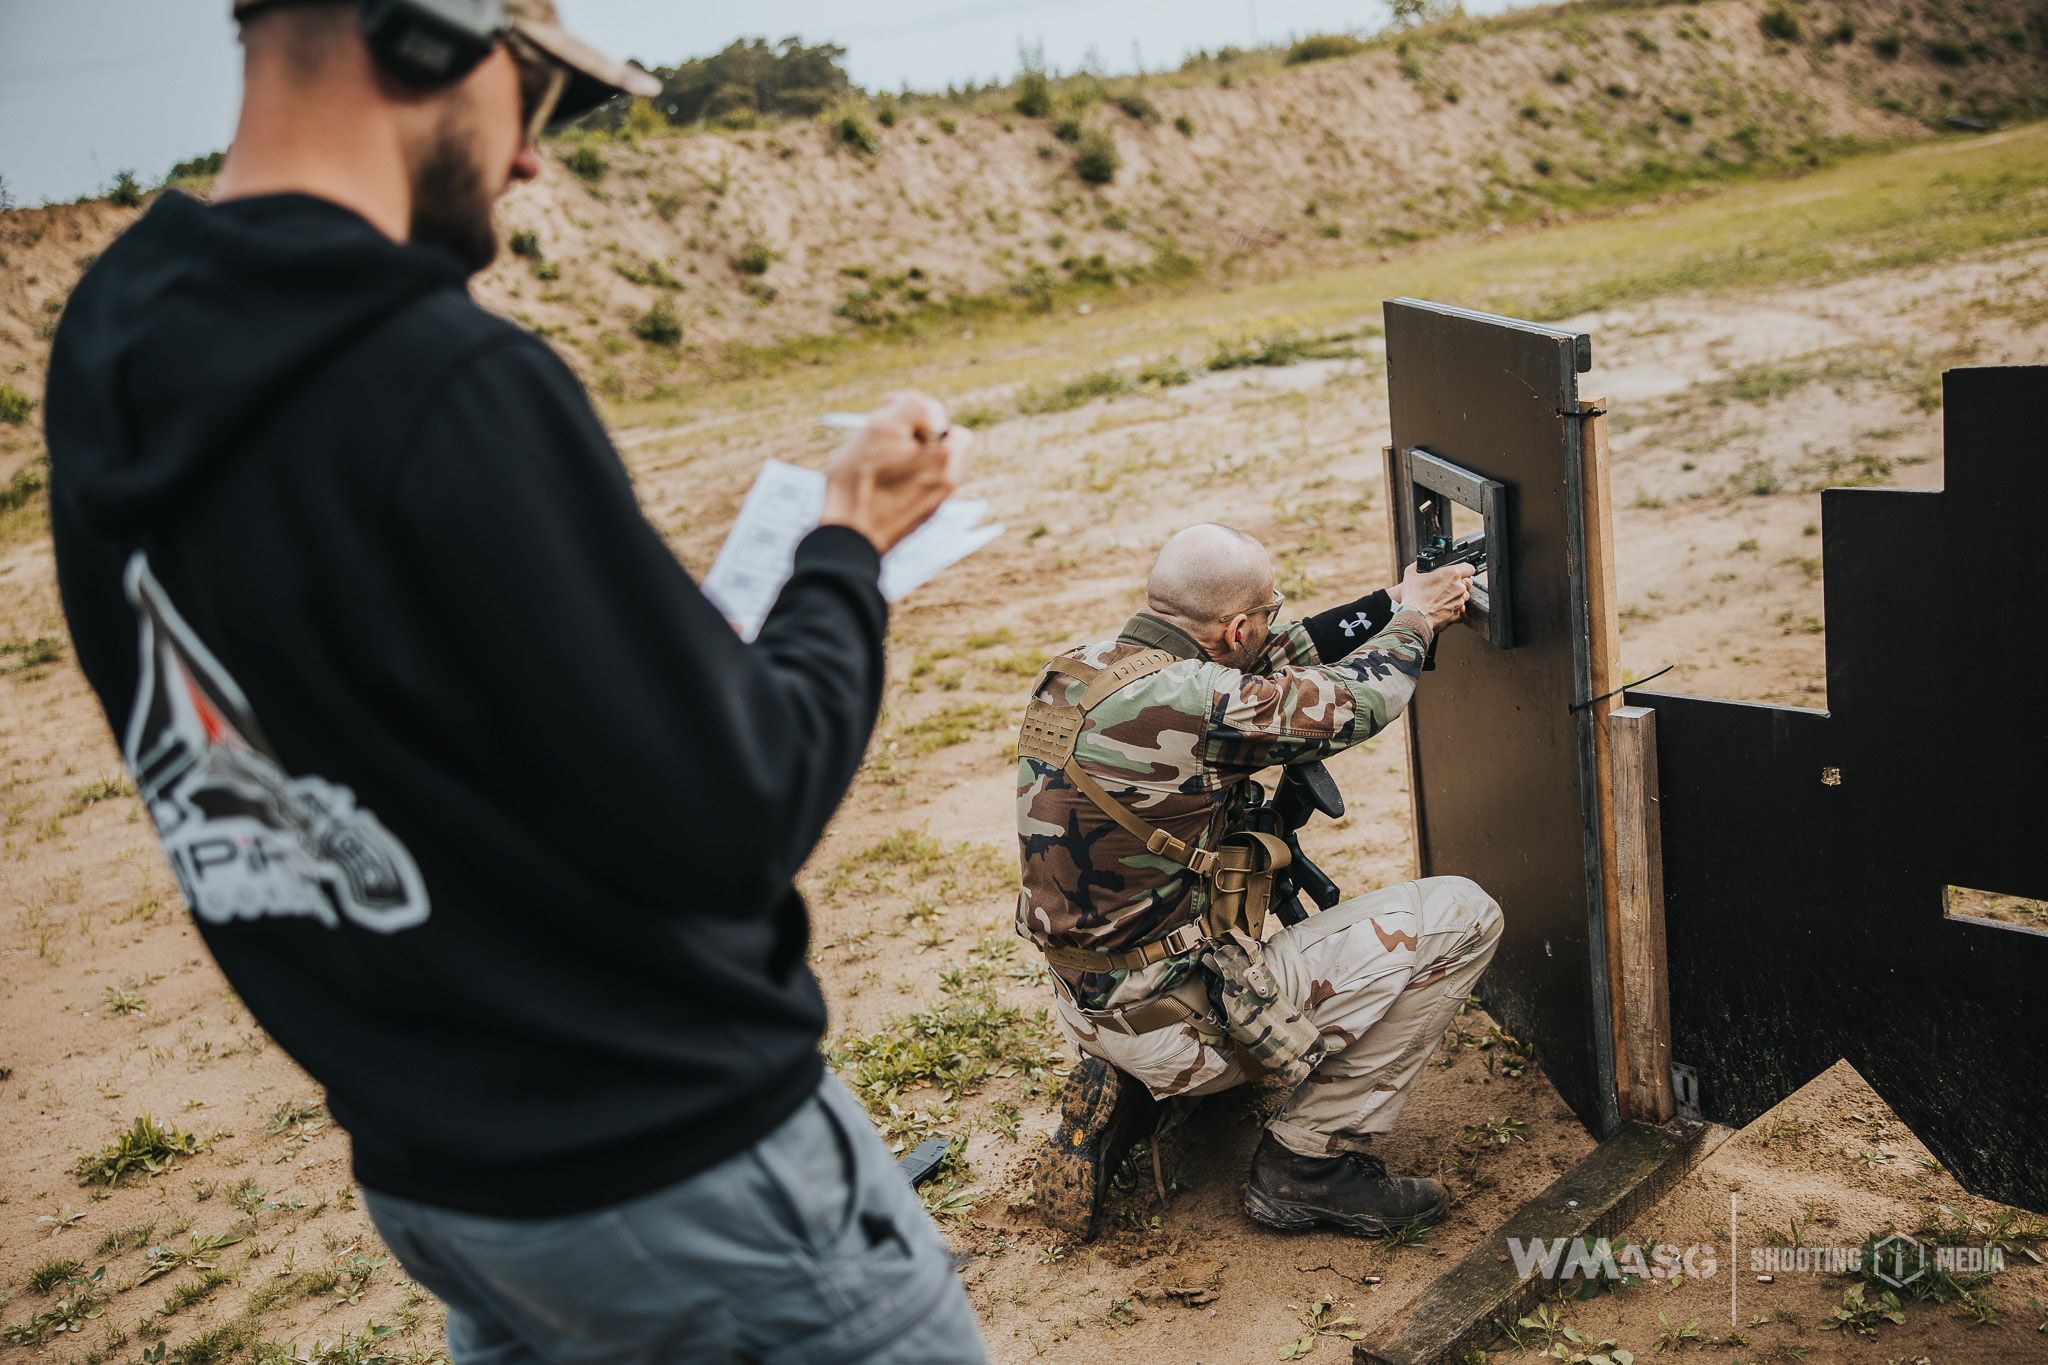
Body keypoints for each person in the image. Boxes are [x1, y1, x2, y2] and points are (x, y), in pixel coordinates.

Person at [45, 2, 988, 1361]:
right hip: (686, 1178)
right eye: (534, 89)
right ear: (428, 34)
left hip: (446, 1185)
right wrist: (847, 546)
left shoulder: (113, 347)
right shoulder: (444, 377)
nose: (533, 156)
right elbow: (737, 811)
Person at [1015, 523, 1503, 1239]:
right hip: (1175, 1022)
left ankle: (1132, 1085)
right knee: (1466, 912)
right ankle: (1308, 1163)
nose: (1275, 623)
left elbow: (1283, 657)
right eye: (1268, 611)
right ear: (1234, 626)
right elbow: (1358, 699)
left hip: (1089, 1000)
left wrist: (1392, 598)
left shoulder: (1077, 670)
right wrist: (1417, 621)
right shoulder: (1208, 704)